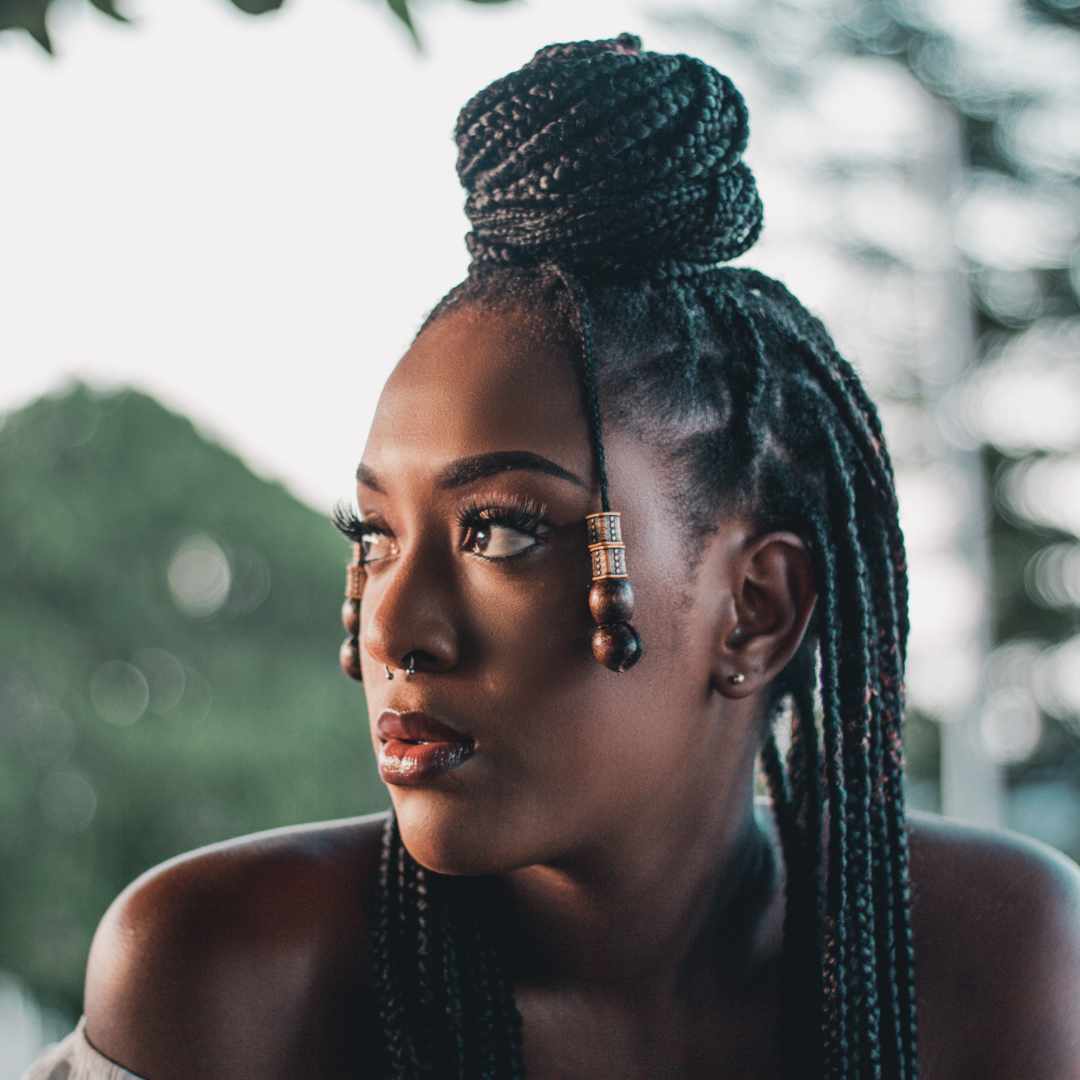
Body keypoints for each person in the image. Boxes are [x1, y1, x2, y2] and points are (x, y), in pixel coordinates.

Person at [24, 32, 1080, 1080]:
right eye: (376, 534)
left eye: (503, 529)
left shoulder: (994, 958)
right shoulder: (229, 972)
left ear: (756, 608)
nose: (396, 628)